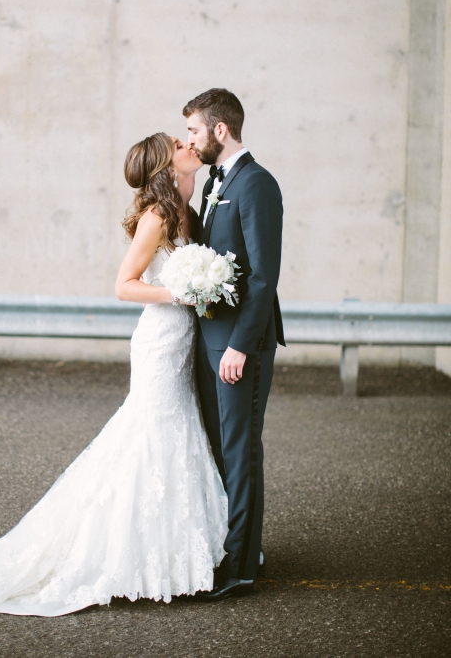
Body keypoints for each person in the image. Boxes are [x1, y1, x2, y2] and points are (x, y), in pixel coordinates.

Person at [0, 133, 227, 617]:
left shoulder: (188, 208)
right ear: (166, 166)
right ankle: (125, 557)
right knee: (152, 431)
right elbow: (124, 286)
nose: (188, 144)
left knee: (176, 428)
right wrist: (181, 294)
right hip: (160, 339)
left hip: (182, 339)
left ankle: (173, 557)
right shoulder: (160, 216)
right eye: (177, 144)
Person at [184, 88, 285, 601]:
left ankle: (241, 566)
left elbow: (265, 278)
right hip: (210, 335)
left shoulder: (257, 184)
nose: (190, 141)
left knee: (241, 450)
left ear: (219, 130)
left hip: (239, 346)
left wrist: (241, 346)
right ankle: (236, 545)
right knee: (221, 449)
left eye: (194, 131)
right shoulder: (214, 184)